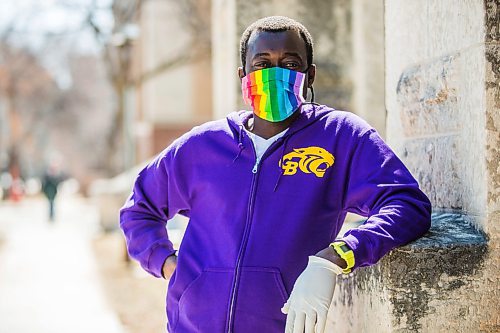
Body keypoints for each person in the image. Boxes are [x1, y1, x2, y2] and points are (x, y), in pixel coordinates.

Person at [120, 16, 431, 333]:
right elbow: (139, 209)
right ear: (244, 75)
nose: (275, 73)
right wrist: (168, 264)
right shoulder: (202, 146)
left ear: (309, 75)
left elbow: (407, 204)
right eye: (262, 63)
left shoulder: (341, 138)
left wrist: (339, 254)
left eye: (290, 63)